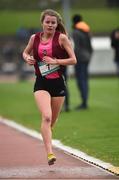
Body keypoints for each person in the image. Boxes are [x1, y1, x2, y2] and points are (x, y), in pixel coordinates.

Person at [22, 9, 76, 165]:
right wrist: (27, 58)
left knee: (51, 122)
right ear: (42, 23)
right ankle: (50, 153)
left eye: (53, 22)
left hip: (58, 83)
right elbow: (25, 53)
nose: (50, 25)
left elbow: (73, 60)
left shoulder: (62, 38)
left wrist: (56, 61)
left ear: (57, 24)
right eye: (48, 22)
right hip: (41, 82)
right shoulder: (35, 38)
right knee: (46, 116)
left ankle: (47, 137)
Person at [72, 14, 93, 110]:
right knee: (84, 80)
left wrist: (73, 58)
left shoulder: (76, 32)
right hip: (87, 57)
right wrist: (89, 56)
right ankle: (85, 102)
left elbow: (76, 47)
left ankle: (84, 103)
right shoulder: (86, 30)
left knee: (81, 81)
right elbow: (90, 47)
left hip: (80, 59)